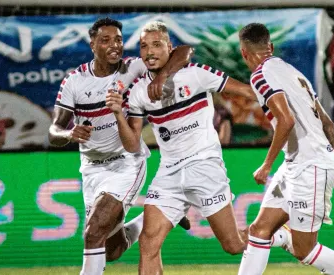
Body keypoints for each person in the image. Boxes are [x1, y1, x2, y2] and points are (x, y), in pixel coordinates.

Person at [105, 21, 291, 275]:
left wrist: (288, 107)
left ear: (170, 48)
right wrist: (118, 115)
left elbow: (247, 91)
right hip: (169, 173)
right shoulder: (138, 93)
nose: (149, 51)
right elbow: (132, 143)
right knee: (148, 243)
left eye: (157, 45)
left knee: (234, 245)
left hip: (205, 167)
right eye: (144, 46)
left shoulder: (196, 73)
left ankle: (280, 236)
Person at [47, 17, 192, 275]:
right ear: (92, 44)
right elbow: (53, 132)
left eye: (119, 40)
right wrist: (69, 133)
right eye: (106, 40)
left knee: (92, 233)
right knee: (111, 251)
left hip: (126, 162)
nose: (115, 45)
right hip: (92, 169)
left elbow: (183, 51)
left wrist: (162, 78)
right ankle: (162, 212)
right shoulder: (74, 81)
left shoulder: (133, 67)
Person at [237, 23, 334, 275]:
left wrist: (266, 165)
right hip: (300, 162)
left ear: (244, 53)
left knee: (304, 249)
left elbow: (286, 120)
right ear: (270, 47)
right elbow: (328, 125)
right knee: (259, 231)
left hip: (311, 165)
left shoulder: (259, 75)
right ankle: (282, 238)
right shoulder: (293, 72)